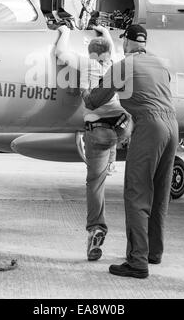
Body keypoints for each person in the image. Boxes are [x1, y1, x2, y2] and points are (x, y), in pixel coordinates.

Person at [83, 24, 178, 278]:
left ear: (126, 42)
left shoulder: (123, 66)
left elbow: (95, 100)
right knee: (159, 192)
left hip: (149, 126)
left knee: (137, 192)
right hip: (172, 127)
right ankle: (153, 252)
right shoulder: (160, 63)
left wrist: (86, 91)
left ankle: (137, 261)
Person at [55, 24, 132, 261]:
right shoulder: (115, 63)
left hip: (98, 130)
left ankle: (96, 228)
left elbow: (60, 53)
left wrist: (64, 31)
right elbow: (110, 47)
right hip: (123, 126)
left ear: (91, 53)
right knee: (111, 144)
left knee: (95, 184)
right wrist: (104, 31)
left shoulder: (86, 63)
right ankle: (111, 161)